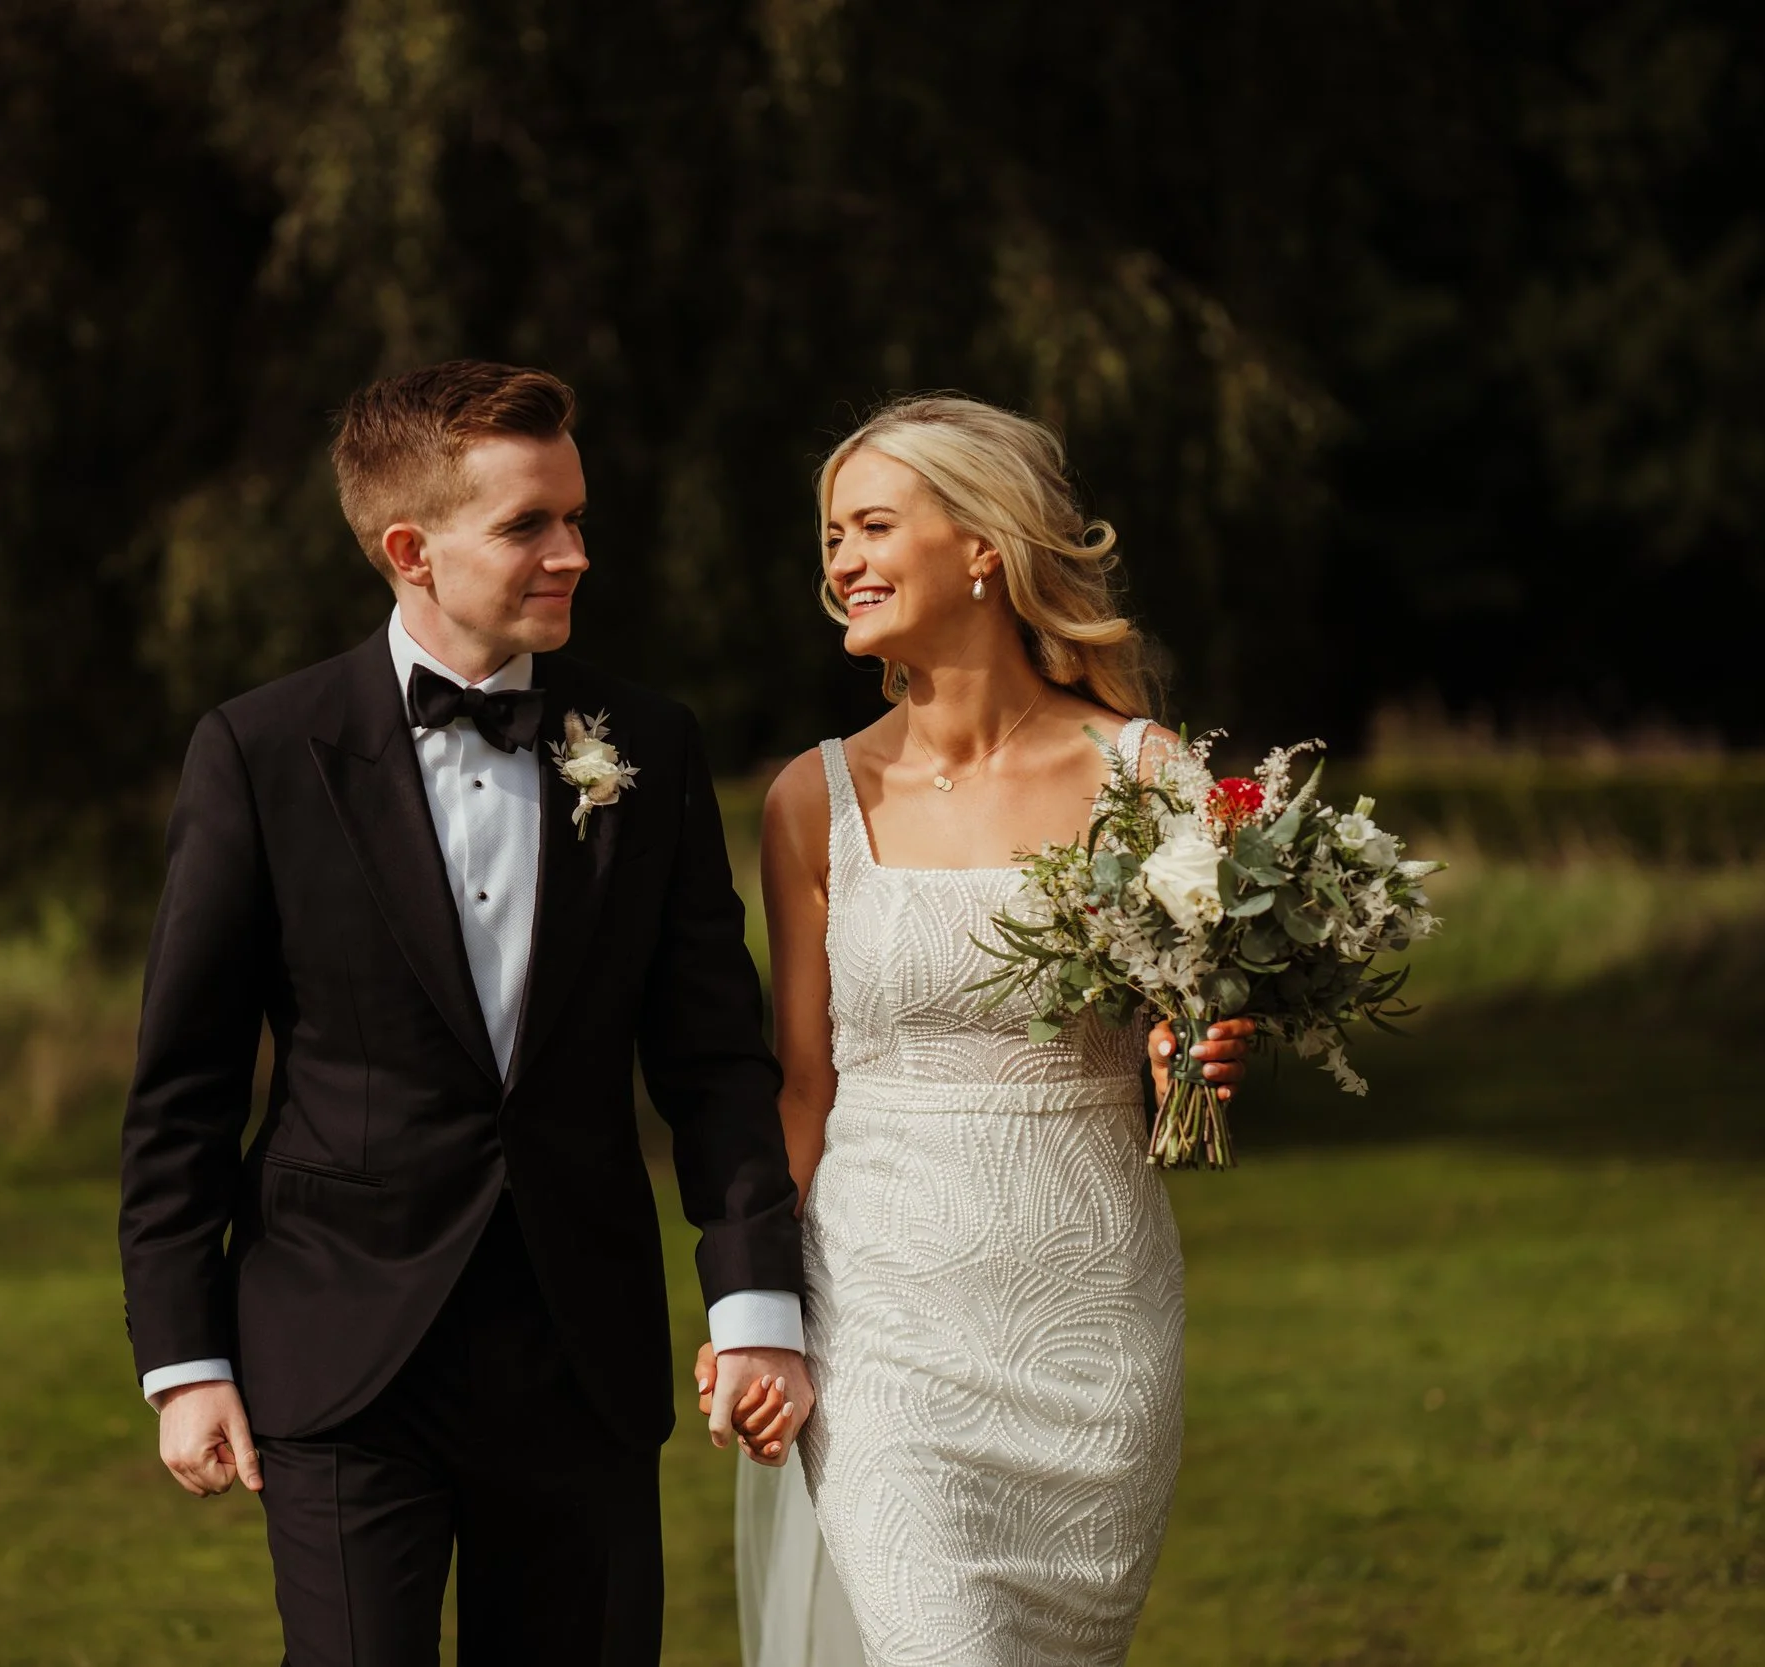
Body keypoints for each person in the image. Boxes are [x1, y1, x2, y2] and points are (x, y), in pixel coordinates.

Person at [117, 360, 811, 1667]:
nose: (575, 553)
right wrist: (183, 1354)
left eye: (576, 516)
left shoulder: (645, 744)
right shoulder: (264, 753)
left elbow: (715, 1061)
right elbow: (186, 1084)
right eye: (529, 525)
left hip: (581, 1348)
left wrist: (755, 1296)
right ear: (409, 549)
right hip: (339, 1349)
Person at [707, 394, 1257, 1666]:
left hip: (1093, 1321)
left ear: (983, 547)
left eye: (872, 525)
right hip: (884, 1325)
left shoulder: (1149, 777)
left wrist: (1200, 1061)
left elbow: (1183, 1036)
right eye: (829, 534)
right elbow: (801, 1088)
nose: (840, 558)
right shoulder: (814, 799)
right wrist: (754, 1314)